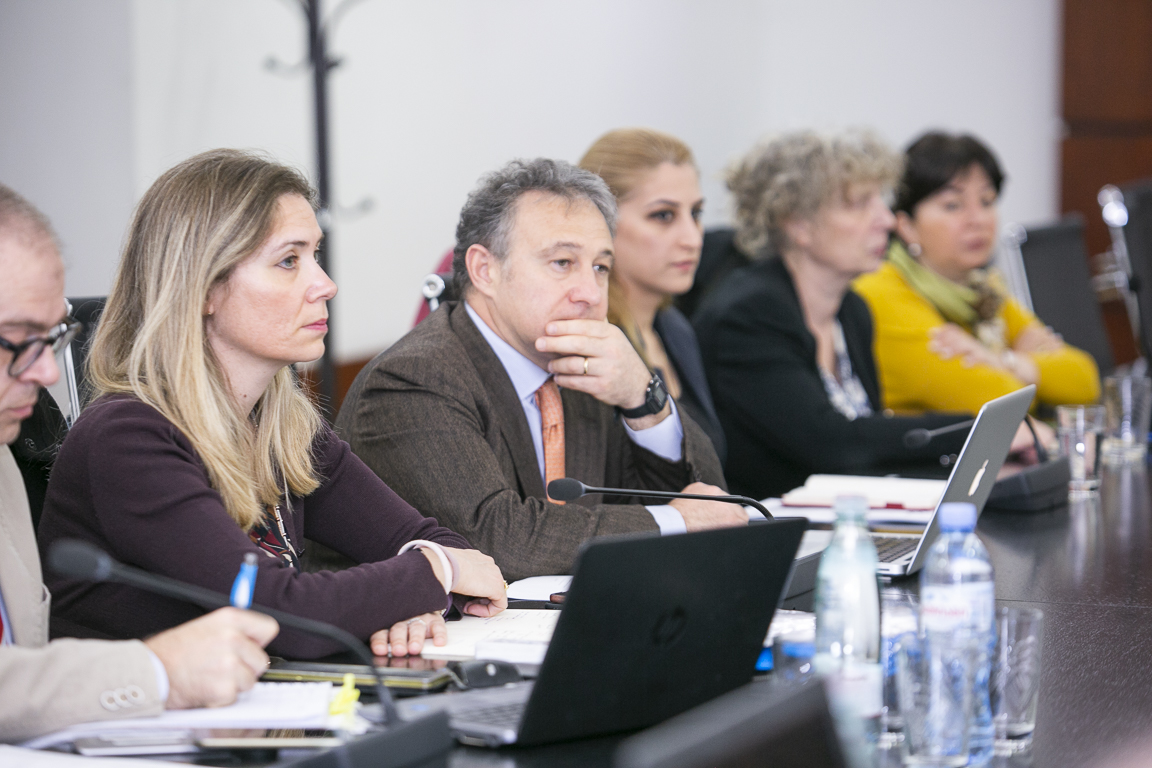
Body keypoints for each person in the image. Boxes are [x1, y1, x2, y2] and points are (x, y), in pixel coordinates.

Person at [37, 150, 506, 662]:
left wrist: (416, 600)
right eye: (288, 261)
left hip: (254, 702)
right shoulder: (127, 439)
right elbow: (278, 616)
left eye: (315, 255)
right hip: (130, 712)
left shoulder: (283, 425)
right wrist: (431, 576)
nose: (325, 285)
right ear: (204, 288)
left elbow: (432, 542)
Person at [336, 158, 745, 582]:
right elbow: (494, 540)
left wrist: (644, 398)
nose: (590, 293)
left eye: (601, 267)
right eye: (563, 263)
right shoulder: (414, 378)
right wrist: (675, 521)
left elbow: (708, 500)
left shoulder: (586, 366)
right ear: (485, 270)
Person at [0, 183, 280, 743]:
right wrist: (156, 671)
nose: (48, 373)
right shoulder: (126, 432)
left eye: (52, 339)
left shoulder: (5, 462)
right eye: (17, 340)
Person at [693, 131, 994, 500]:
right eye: (859, 204)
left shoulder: (852, 310)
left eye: (881, 202)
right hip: (772, 524)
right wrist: (973, 431)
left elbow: (867, 438)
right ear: (798, 223)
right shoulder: (748, 315)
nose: (886, 220)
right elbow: (831, 442)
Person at [854, 131, 1100, 414]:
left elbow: (1085, 380)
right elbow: (1002, 399)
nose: (978, 219)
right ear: (906, 226)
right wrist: (1027, 364)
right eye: (953, 205)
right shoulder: (881, 292)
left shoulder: (983, 291)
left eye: (986, 201)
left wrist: (1001, 360)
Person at [578, 128, 726, 462]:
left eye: (696, 214)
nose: (692, 239)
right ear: (600, 222)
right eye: (663, 216)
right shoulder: (590, 342)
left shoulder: (675, 327)